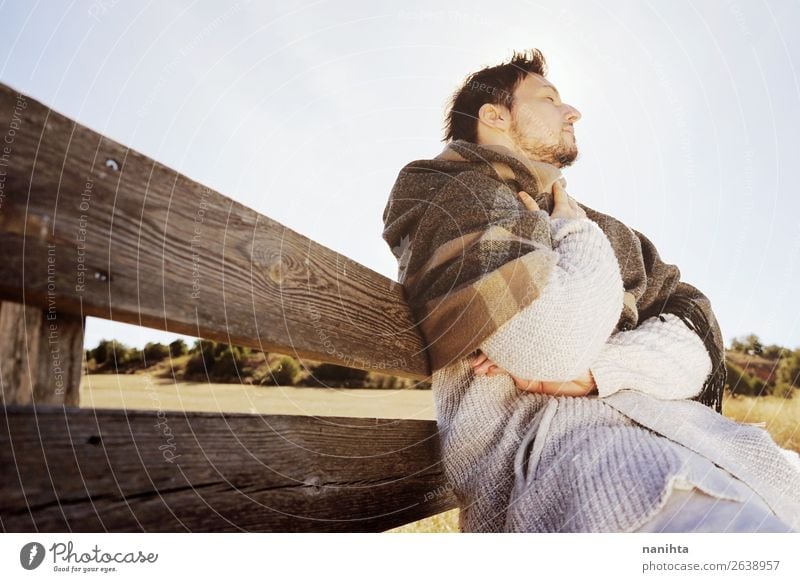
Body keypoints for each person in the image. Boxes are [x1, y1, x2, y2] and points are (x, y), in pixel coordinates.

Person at [381, 49, 800, 532]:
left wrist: (598, 369)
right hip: (567, 462)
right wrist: (576, 236)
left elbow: (690, 339)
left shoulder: (595, 226)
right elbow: (547, 345)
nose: (572, 111)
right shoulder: (450, 190)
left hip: (688, 446)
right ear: (494, 116)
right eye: (549, 98)